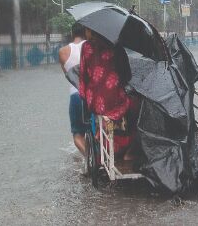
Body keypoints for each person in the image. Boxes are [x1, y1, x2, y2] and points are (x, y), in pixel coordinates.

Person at [78, 28, 139, 160]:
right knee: (134, 104)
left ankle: (104, 133)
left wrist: (84, 96)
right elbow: (127, 75)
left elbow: (83, 75)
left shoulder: (86, 47)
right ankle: (130, 146)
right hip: (115, 99)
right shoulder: (116, 46)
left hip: (94, 100)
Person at [59, 23, 88, 168]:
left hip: (76, 95)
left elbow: (68, 75)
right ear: (86, 32)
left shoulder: (63, 51)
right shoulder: (92, 48)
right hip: (93, 96)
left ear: (72, 33)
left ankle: (89, 159)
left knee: (78, 135)